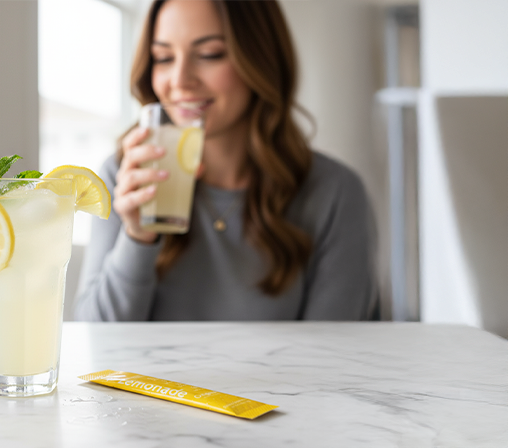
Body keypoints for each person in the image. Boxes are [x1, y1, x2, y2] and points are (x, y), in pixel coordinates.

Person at [74, 0, 378, 321]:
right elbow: (96, 344)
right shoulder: (124, 178)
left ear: (260, 58)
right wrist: (137, 237)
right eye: (163, 58)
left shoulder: (335, 193)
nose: (179, 80)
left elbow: (336, 357)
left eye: (209, 54)